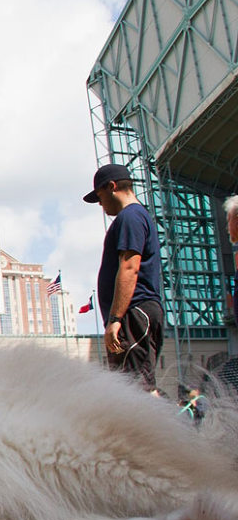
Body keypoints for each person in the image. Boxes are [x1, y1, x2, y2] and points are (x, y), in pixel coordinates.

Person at [84, 164, 164, 387]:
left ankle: (171, 422)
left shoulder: (130, 217)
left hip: (133, 311)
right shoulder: (136, 216)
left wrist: (116, 319)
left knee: (135, 390)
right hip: (137, 312)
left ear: (111, 187)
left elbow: (130, 266)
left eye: (99, 197)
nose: (100, 204)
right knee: (135, 387)